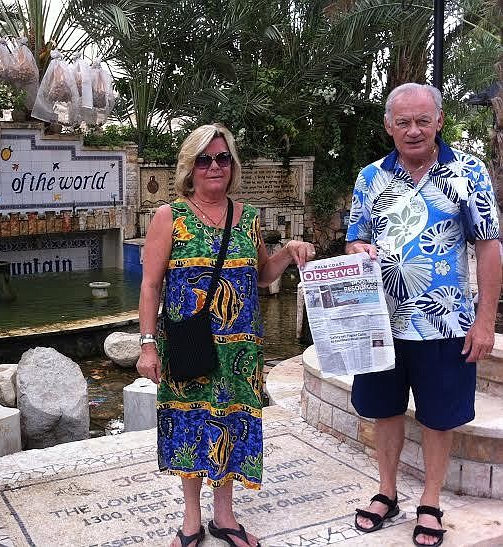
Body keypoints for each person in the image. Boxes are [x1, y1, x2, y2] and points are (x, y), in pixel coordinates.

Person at [137, 123, 315, 547]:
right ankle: (192, 520)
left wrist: (287, 254)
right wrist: (146, 345)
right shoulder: (170, 217)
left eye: (222, 158)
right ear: (190, 167)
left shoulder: (248, 217)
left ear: (232, 165)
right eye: (204, 159)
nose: (214, 166)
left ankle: (225, 516)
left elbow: (260, 275)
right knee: (190, 420)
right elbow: (149, 285)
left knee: (232, 422)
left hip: (241, 348)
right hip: (187, 343)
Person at [346, 83, 501, 547]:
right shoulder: (369, 177)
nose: (413, 130)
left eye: (422, 121)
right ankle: (387, 492)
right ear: (389, 126)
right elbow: (354, 239)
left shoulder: (468, 173)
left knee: (438, 416)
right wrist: (358, 248)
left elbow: (490, 246)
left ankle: (430, 502)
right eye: (403, 122)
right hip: (379, 322)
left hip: (446, 323)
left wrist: (486, 320)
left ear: (438, 122)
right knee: (384, 410)